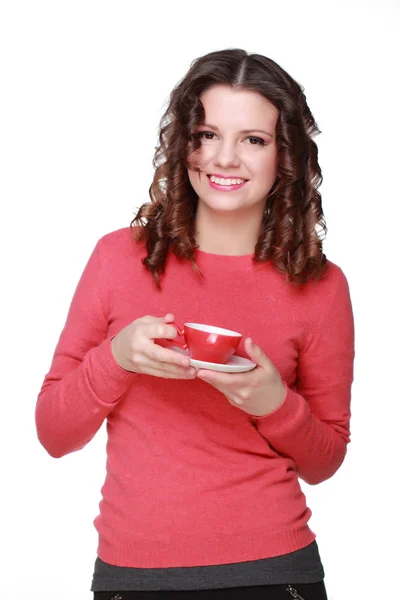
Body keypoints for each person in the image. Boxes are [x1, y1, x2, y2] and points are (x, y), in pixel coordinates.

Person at [35, 48, 354, 600]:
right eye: (207, 134)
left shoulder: (322, 286)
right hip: (131, 575)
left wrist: (274, 401)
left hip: (275, 574)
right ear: (184, 143)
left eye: (253, 139)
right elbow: (53, 433)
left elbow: (324, 460)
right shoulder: (117, 258)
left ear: (285, 156)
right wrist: (117, 357)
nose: (224, 158)